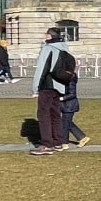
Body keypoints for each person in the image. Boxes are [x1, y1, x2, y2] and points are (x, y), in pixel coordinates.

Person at [30, 27, 67, 155]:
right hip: (60, 85)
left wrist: (36, 88)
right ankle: (58, 141)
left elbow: (42, 68)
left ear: (49, 36)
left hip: (47, 85)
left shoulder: (48, 48)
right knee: (55, 114)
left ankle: (47, 144)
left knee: (43, 114)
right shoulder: (64, 48)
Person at [58, 70, 90, 148]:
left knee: (65, 124)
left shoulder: (70, 80)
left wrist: (61, 98)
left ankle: (64, 143)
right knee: (67, 122)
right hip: (67, 105)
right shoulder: (67, 79)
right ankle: (82, 137)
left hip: (69, 105)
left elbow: (72, 94)